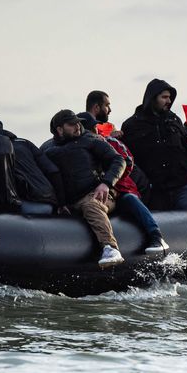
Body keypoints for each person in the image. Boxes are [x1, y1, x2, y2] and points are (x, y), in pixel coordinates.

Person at [121, 78, 187, 211]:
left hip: (183, 187)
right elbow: (126, 159)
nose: (169, 101)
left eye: (170, 98)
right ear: (152, 98)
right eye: (164, 97)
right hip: (155, 191)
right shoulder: (131, 125)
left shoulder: (174, 120)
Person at [43, 110, 128, 267]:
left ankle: (111, 248)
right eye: (71, 124)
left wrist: (106, 183)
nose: (77, 126)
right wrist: (59, 203)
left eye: (78, 122)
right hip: (68, 202)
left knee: (91, 205)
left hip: (97, 194)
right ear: (59, 129)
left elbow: (118, 160)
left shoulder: (91, 139)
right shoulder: (48, 149)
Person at [78, 112, 169, 255]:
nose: (94, 131)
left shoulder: (110, 142)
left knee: (131, 199)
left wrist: (109, 179)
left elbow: (126, 162)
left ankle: (156, 236)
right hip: (96, 195)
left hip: (121, 190)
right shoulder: (77, 150)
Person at [0, 119, 64, 215]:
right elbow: (53, 171)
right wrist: (61, 203)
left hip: (29, 204)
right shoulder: (25, 143)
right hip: (49, 202)